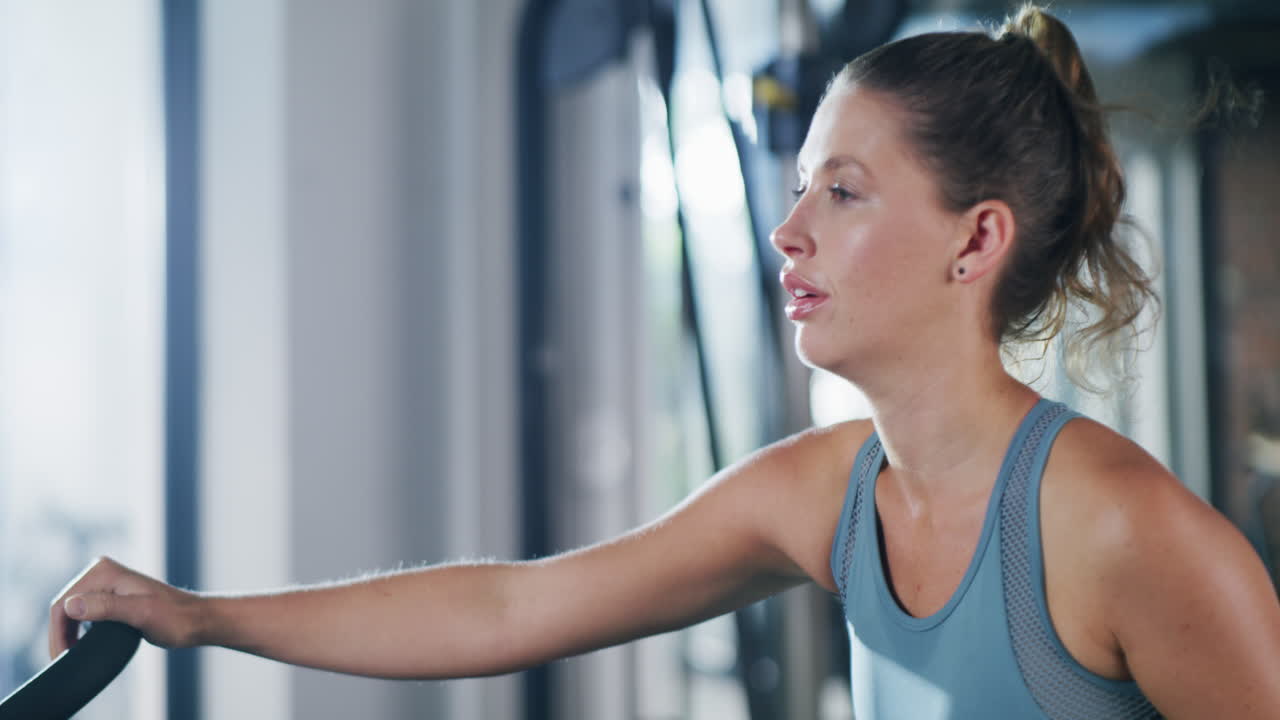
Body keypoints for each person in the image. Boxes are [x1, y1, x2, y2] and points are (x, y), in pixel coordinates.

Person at [49, 5, 1280, 718]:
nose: (785, 231)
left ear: (975, 238)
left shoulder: (1127, 537)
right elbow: (513, 605)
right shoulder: (825, 494)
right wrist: (199, 616)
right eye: (797, 189)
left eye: (841, 192)